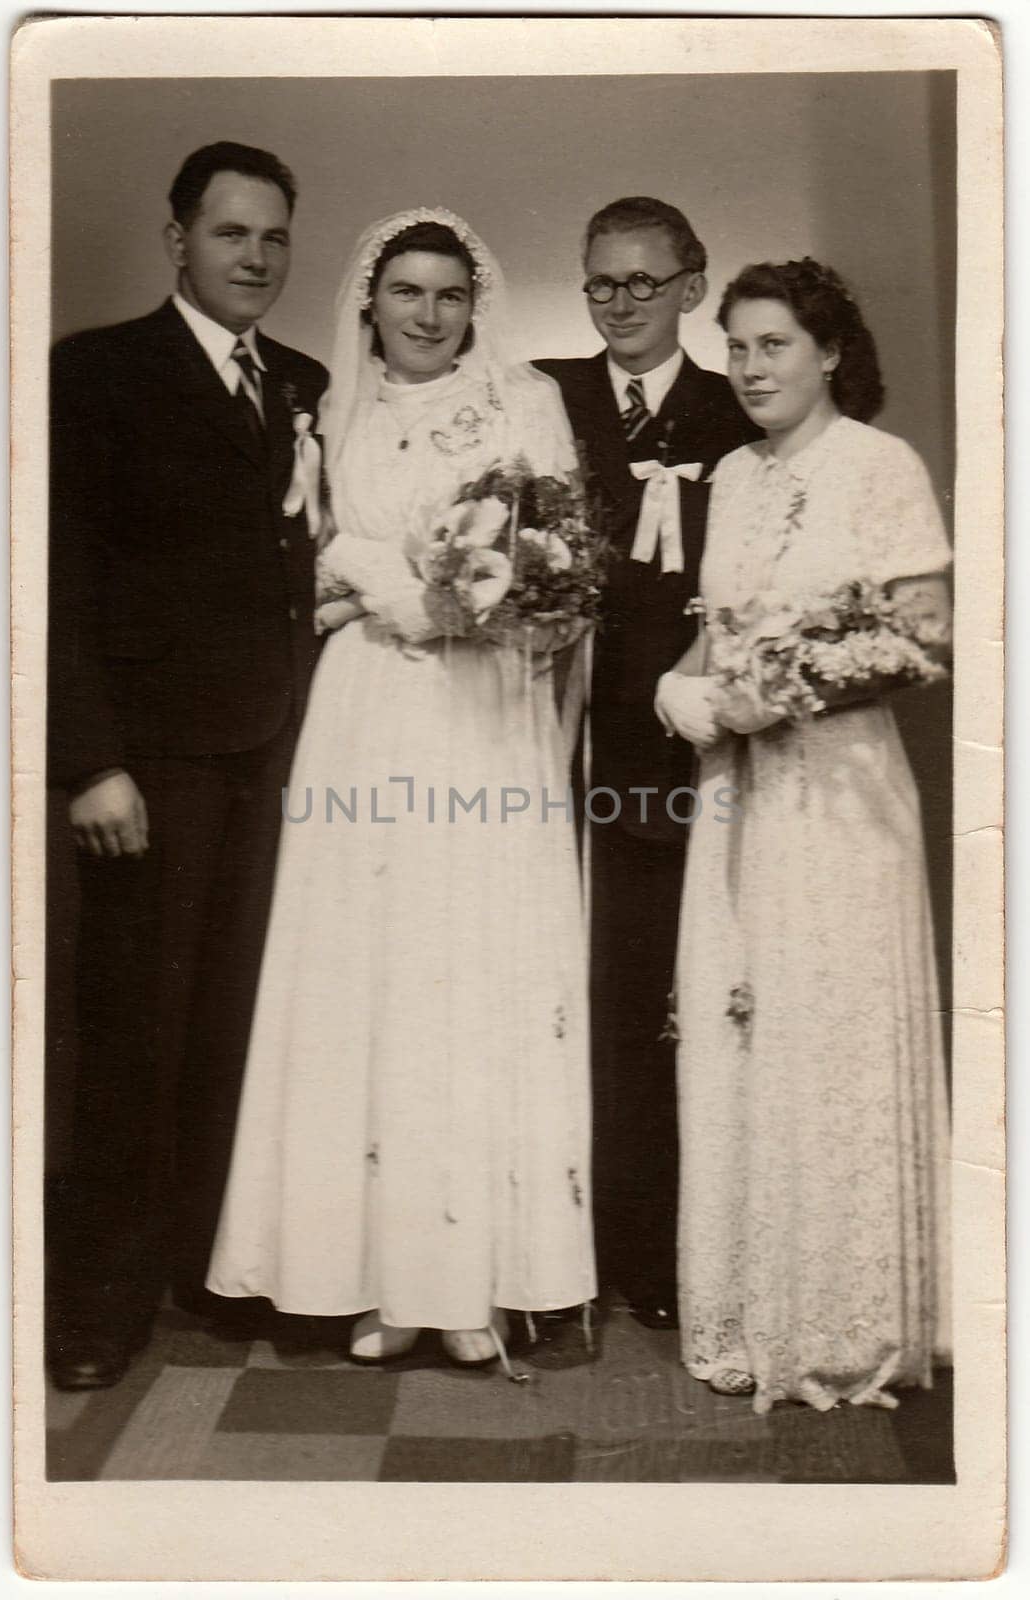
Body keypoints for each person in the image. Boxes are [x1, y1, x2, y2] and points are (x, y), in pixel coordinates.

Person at [207, 209, 596, 1368]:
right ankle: (369, 1273)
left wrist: (471, 597)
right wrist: (380, 584)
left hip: (481, 714)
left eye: (449, 296)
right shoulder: (323, 407)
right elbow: (307, 554)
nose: (428, 316)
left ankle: (470, 1279)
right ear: (370, 298)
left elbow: (562, 568)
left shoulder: (526, 407)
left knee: (467, 970)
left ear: (476, 305)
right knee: (365, 978)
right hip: (367, 713)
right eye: (406, 293)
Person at [47, 142, 328, 1390]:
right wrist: (90, 762)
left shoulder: (311, 380)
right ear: (177, 240)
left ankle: (207, 1271)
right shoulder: (97, 372)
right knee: (131, 1034)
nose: (256, 258)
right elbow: (55, 579)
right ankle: (100, 1300)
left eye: (273, 237)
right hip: (151, 766)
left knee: (234, 1029)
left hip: (275, 759)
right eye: (231, 234)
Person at [657, 258, 952, 1412]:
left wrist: (779, 696)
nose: (750, 367)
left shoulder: (882, 467)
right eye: (735, 347)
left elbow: (919, 642)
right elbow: (713, 639)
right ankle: (753, 1308)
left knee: (831, 1031)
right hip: (740, 801)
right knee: (745, 1030)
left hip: (841, 801)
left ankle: (850, 1323)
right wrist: (683, 692)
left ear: (830, 352)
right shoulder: (728, 476)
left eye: (773, 345)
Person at [535, 198, 759, 1326]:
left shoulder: (739, 407)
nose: (620, 303)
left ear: (692, 284)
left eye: (642, 281)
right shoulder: (543, 396)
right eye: (600, 283)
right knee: (542, 989)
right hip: (534, 742)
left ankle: (650, 1245)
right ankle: (540, 1242)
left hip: (662, 753)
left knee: (645, 996)